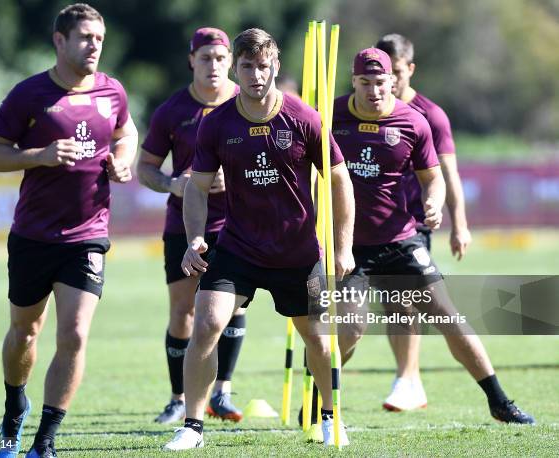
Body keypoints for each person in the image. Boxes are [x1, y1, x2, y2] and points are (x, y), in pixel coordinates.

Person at [164, 28, 356, 450]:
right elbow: (195, 187)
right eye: (246, 66)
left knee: (319, 340)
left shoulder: (304, 118)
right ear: (237, 67)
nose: (255, 75)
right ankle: (192, 427)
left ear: (276, 67)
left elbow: (339, 181)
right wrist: (195, 239)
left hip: (297, 250)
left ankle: (330, 417)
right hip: (238, 247)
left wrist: (343, 247)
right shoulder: (217, 124)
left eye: (262, 66)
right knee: (208, 323)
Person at [332, 47, 534, 425]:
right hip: (348, 246)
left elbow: (433, 177)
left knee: (449, 316)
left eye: (380, 82)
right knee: (349, 330)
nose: (373, 91)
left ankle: (499, 401)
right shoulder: (329, 116)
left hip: (400, 240)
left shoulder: (414, 121)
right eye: (365, 83)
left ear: (394, 79)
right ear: (352, 80)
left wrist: (434, 203)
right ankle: (323, 397)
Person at [0, 4, 138, 457]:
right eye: (85, 37)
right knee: (25, 333)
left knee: (74, 335)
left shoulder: (113, 91)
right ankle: (14, 407)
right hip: (32, 235)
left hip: (87, 234)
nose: (94, 46)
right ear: (60, 40)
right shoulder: (30, 94)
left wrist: (122, 161)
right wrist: (39, 156)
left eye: (99, 39)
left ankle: (44, 442)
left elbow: (126, 132)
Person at [137, 27, 245, 424]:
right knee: (183, 311)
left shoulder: (246, 101)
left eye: (220, 58)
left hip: (237, 224)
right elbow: (144, 168)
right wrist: (172, 184)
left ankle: (223, 393)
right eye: (205, 58)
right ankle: (178, 398)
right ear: (191, 61)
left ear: (230, 61)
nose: (213, 65)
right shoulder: (172, 111)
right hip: (183, 225)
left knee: (232, 308)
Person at [375, 33, 472, 411]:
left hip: (414, 225)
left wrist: (459, 223)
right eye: (383, 71)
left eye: (396, 71)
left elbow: (449, 174)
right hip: (377, 225)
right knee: (394, 304)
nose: (391, 79)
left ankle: (408, 380)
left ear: (409, 69)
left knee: (407, 303)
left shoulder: (431, 115)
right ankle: (407, 379)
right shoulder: (365, 111)